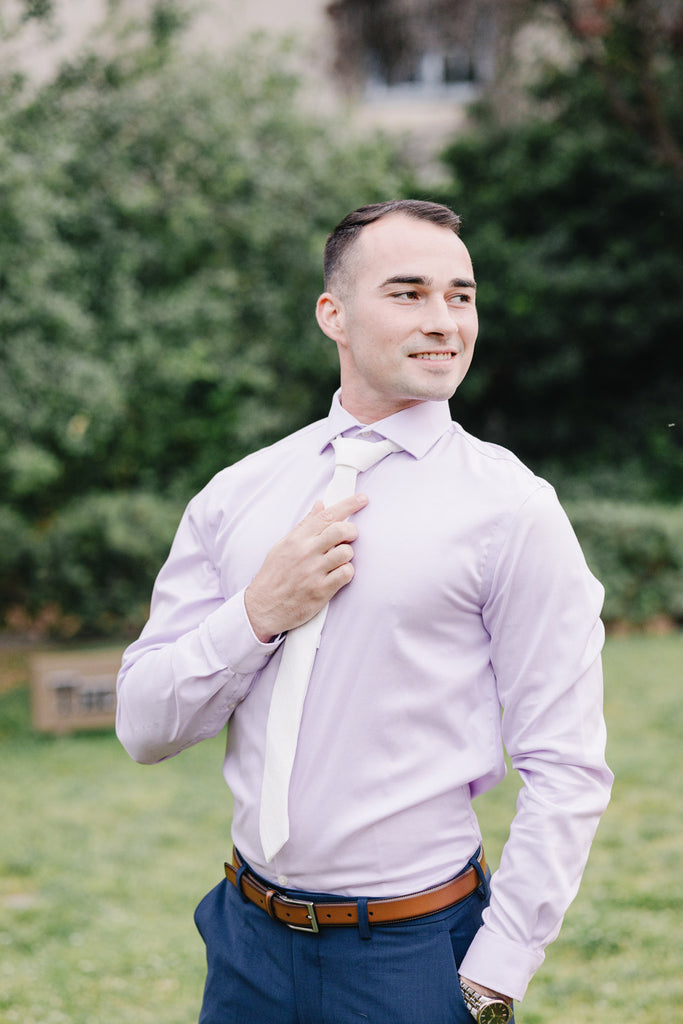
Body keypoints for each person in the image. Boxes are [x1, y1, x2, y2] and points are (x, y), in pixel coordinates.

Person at [116, 199, 613, 1024]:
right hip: (246, 946)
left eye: (461, 295)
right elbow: (143, 725)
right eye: (409, 293)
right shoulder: (239, 493)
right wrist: (256, 612)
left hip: (412, 957)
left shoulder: (511, 510)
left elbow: (566, 764)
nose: (444, 322)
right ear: (332, 314)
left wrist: (493, 975)